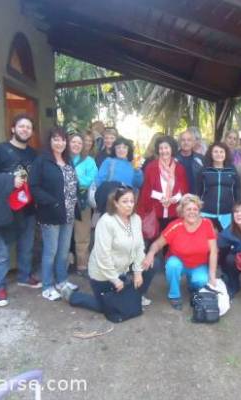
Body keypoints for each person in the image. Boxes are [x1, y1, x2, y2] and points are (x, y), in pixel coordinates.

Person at [0, 114, 41, 306]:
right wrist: (8, 180)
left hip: (27, 208)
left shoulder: (33, 154)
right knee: (2, 251)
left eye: (28, 127)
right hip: (4, 209)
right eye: (21, 126)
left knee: (26, 247)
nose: (25, 130)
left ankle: (24, 276)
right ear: (13, 128)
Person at [62, 187, 155, 311]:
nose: (129, 205)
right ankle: (73, 296)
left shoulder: (136, 219)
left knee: (152, 263)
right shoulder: (106, 222)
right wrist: (115, 280)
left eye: (132, 201)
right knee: (107, 308)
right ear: (115, 203)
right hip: (103, 274)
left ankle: (135, 296)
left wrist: (138, 272)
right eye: (125, 201)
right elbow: (102, 256)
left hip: (123, 269)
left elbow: (139, 247)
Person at [143, 194, 218, 310]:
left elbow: (213, 251)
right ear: (182, 211)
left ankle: (192, 286)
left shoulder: (207, 224)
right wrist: (150, 253)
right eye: (188, 209)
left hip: (199, 264)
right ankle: (174, 294)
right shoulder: (175, 226)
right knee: (172, 265)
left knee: (201, 281)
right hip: (179, 263)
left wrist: (212, 276)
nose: (192, 212)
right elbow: (157, 244)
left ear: (199, 211)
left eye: (195, 209)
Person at [29, 127, 79, 301]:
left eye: (63, 139)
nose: (60, 143)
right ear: (49, 141)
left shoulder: (68, 161)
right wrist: (52, 201)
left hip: (69, 213)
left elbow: (72, 185)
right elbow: (33, 186)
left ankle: (62, 281)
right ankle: (48, 285)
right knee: (51, 251)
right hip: (50, 213)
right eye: (56, 139)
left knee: (63, 251)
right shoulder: (42, 161)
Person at [137, 135, 189, 231]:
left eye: (166, 148)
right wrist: (161, 197)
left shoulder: (179, 168)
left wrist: (173, 199)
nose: (164, 151)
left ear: (172, 149)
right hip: (155, 212)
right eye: (161, 148)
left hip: (174, 212)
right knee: (156, 242)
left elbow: (183, 189)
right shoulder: (151, 167)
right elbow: (146, 190)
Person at [69, 133, 98, 274]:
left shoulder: (89, 161)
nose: (76, 145)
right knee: (64, 235)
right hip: (64, 202)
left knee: (82, 234)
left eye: (79, 143)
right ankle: (66, 262)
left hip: (82, 202)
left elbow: (93, 178)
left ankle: (82, 264)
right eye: (73, 142)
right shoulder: (62, 159)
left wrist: (73, 179)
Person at [197, 142, 240, 231]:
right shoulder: (204, 170)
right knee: (207, 240)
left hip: (227, 213)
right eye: (215, 152)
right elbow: (197, 191)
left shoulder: (232, 170)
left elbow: (237, 191)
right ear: (211, 154)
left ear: (226, 154)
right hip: (206, 212)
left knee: (224, 241)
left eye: (221, 152)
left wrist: (237, 207)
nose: (219, 154)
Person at [175, 129, 204, 194]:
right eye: (183, 140)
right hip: (177, 198)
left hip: (195, 198)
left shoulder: (201, 159)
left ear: (193, 143)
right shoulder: (173, 159)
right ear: (179, 142)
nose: (186, 142)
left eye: (189, 140)